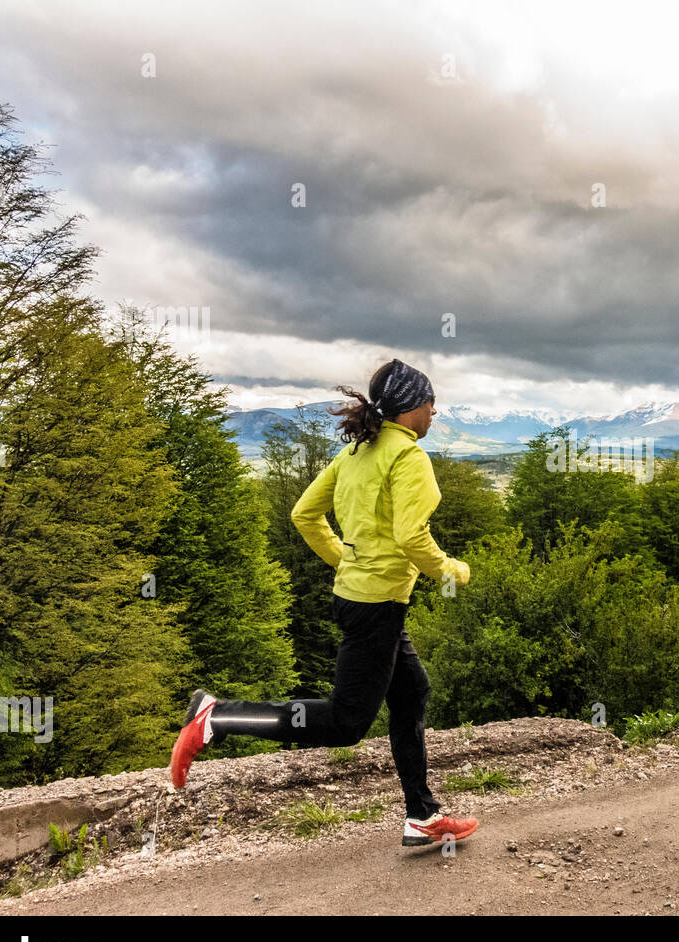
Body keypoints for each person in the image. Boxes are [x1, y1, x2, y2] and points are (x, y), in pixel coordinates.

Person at [168, 359, 478, 848]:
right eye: (430, 402)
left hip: (362, 598)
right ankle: (219, 717)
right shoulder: (408, 458)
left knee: (412, 692)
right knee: (345, 723)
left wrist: (343, 560)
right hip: (376, 604)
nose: (435, 411)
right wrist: (451, 570)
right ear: (409, 407)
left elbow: (304, 513)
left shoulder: (357, 453)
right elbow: (412, 535)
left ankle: (422, 815)